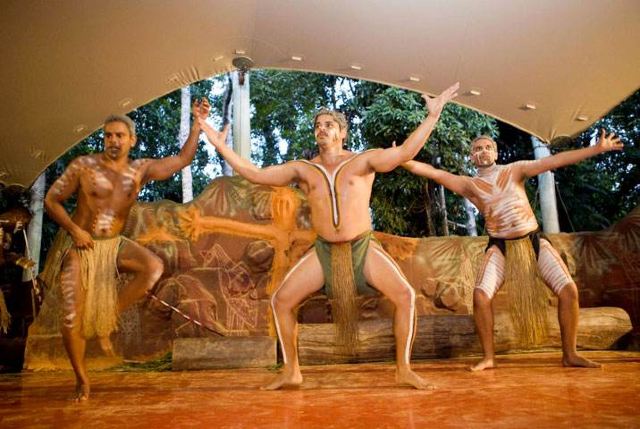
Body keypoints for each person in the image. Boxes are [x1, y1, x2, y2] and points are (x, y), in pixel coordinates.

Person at [199, 82, 459, 390]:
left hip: (361, 247)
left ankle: (404, 369)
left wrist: (432, 116)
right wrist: (219, 144)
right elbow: (255, 174)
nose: (321, 129)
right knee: (281, 300)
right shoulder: (303, 169)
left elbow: (405, 152)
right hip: (323, 252)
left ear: (342, 132)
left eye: (328, 125)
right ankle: (291, 371)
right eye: (317, 125)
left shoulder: (364, 161)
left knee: (406, 296)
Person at [42, 99, 220, 401]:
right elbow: (51, 200)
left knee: (153, 267)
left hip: (114, 245)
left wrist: (197, 126)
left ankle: (107, 319)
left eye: (119, 135)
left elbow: (182, 159)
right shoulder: (84, 166)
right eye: (108, 135)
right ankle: (82, 381)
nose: (113, 140)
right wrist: (74, 229)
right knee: (71, 318)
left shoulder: (140, 170)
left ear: (132, 140)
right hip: (81, 246)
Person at [403, 130, 623, 371]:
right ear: (472, 157)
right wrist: (402, 158)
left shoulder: (514, 171)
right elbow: (434, 173)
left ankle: (570, 354)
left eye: (488, 147)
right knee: (480, 296)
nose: (483, 151)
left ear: (496, 153)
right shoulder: (469, 185)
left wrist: (596, 149)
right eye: (477, 149)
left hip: (532, 242)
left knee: (569, 291)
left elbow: (553, 161)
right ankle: (489, 357)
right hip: (500, 246)